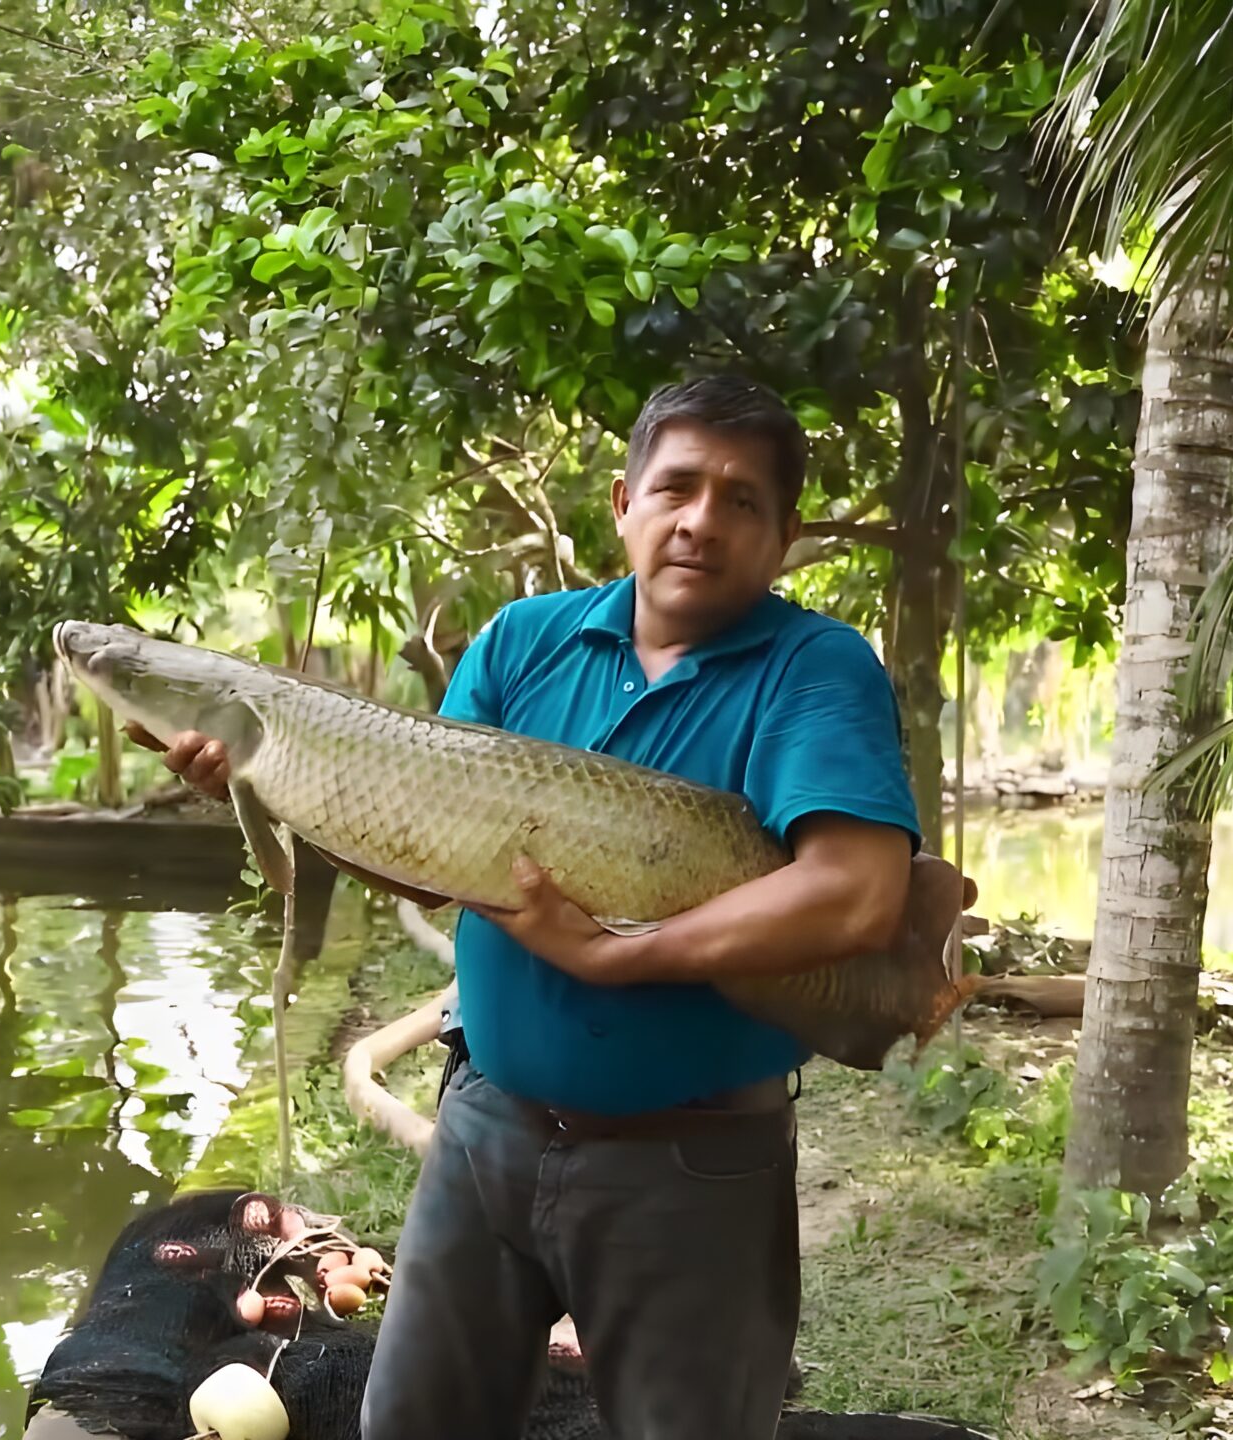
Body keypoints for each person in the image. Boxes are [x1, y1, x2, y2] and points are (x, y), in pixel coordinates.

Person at [137, 374, 923, 1440]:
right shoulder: (520, 641)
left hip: (692, 1170)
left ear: (784, 535)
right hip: (484, 1129)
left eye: (741, 501)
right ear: (623, 502)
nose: (700, 518)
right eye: (677, 486)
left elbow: (859, 891)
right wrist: (269, 783)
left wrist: (617, 958)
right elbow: (429, 861)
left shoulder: (814, 667)